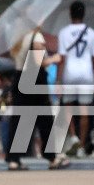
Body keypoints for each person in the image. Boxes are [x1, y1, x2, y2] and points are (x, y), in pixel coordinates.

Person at [4, 27, 63, 171]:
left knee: (18, 120)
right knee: (45, 119)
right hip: (35, 79)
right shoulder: (36, 37)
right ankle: (52, 157)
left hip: (19, 78)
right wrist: (55, 59)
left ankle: (13, 159)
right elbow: (38, 62)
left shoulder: (17, 38)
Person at [58, 0, 94, 156]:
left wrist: (58, 81)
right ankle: (82, 146)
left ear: (70, 14)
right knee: (84, 111)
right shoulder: (92, 34)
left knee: (68, 107)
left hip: (69, 73)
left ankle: (74, 136)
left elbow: (61, 59)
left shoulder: (63, 33)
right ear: (84, 14)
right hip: (86, 74)